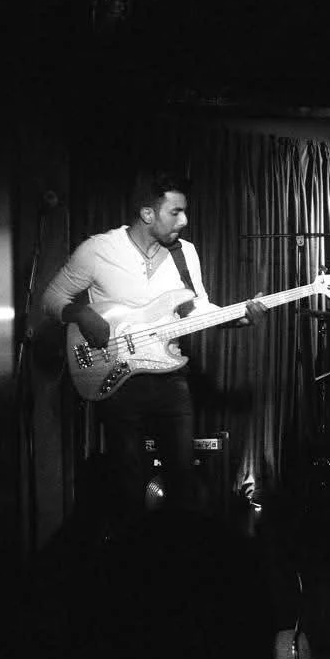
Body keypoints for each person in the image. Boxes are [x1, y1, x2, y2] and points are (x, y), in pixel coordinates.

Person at [43, 170, 265, 534]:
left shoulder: (185, 254)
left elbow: (199, 311)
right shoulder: (99, 250)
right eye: (175, 212)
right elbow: (51, 299)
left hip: (170, 377)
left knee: (182, 480)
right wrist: (80, 313)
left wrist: (242, 316)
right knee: (128, 483)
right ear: (148, 214)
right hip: (116, 377)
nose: (185, 220)